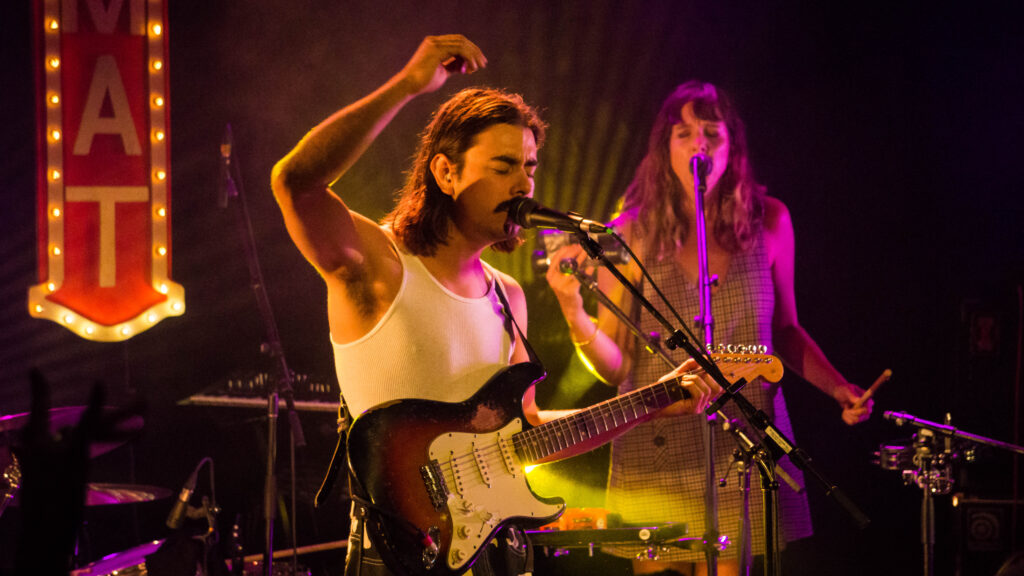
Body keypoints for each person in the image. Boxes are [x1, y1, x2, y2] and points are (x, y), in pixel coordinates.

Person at [269, 36, 719, 576]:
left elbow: (523, 436)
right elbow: (295, 183)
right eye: (505, 165)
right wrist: (410, 84)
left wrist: (653, 402)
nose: (525, 181)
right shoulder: (381, 262)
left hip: (488, 555)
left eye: (530, 165)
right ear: (445, 173)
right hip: (397, 556)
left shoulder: (509, 296)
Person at [544, 81, 874, 576]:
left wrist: (838, 388)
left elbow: (783, 331)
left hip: (743, 441)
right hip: (658, 444)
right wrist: (574, 313)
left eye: (712, 132)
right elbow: (616, 367)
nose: (699, 143)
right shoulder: (631, 231)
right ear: (665, 148)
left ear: (732, 146)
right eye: (684, 133)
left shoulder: (770, 221)